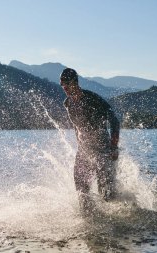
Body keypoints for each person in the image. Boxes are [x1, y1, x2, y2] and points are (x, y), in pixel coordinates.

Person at [60, 68, 120, 205]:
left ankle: (120, 216)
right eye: (62, 85)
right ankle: (89, 219)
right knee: (81, 189)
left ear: (75, 82)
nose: (65, 88)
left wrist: (114, 147)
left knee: (106, 193)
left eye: (67, 84)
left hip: (103, 149)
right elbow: (77, 127)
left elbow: (114, 121)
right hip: (84, 150)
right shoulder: (68, 104)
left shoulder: (92, 99)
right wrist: (79, 144)